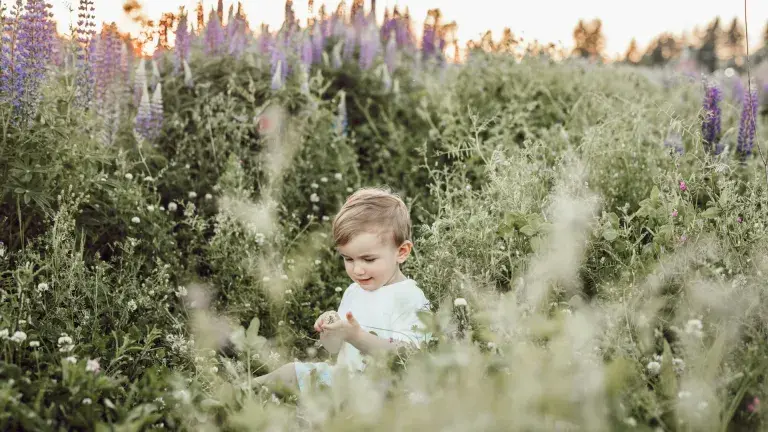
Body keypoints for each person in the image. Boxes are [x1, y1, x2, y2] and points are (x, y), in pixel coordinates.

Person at [254, 186, 431, 395]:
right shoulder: (354, 292)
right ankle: (235, 393)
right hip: (345, 380)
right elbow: (334, 349)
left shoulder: (409, 297)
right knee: (290, 372)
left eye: (368, 259)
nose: (357, 270)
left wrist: (356, 336)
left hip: (386, 391)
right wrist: (331, 331)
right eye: (348, 259)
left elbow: (408, 357)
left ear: (401, 252)